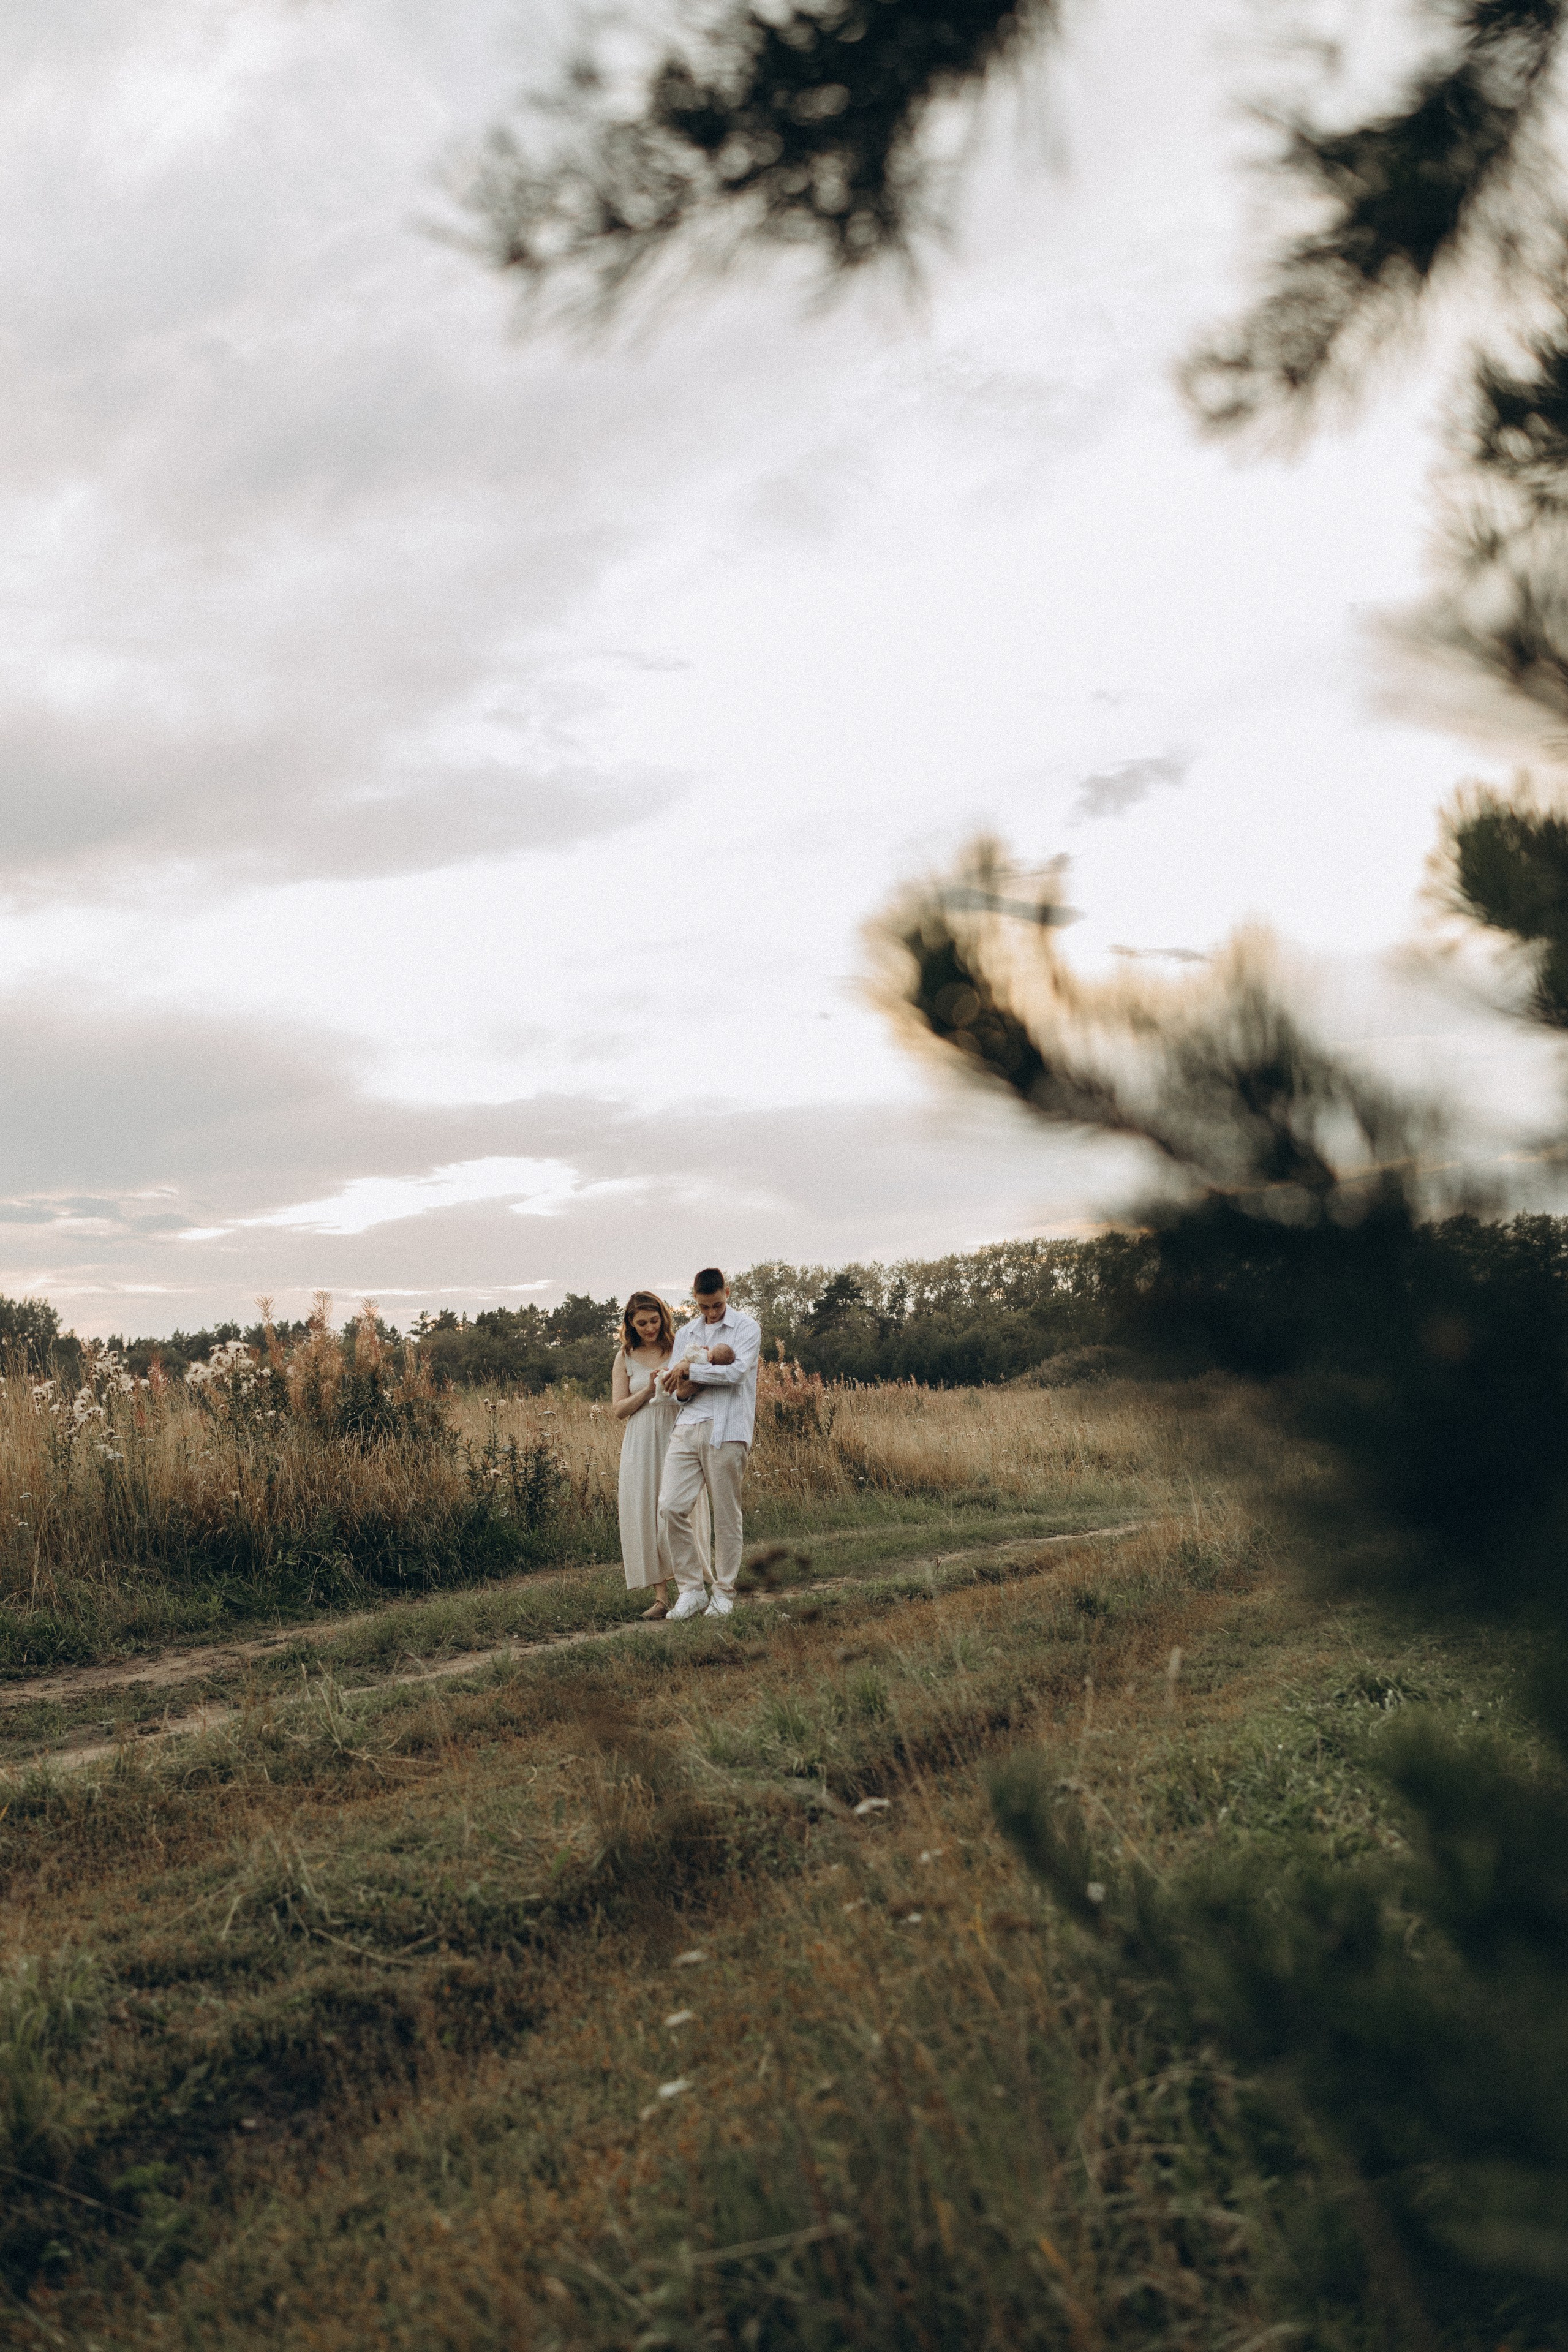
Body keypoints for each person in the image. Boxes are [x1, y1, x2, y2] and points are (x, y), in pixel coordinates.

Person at [657, 1268, 761, 1621]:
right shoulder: (687, 1332)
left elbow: (737, 1374)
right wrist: (687, 1377)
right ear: (695, 1300)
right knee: (670, 1506)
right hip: (687, 1427)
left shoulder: (748, 1328)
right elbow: (674, 1391)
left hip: (728, 1428)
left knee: (726, 1514)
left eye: (717, 1305)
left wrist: (691, 1370)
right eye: (704, 1306)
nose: (712, 1313)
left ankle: (725, 1593)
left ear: (727, 1293)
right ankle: (691, 1591)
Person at [611, 1291, 710, 1619]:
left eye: (654, 1321)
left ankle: (692, 1589)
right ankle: (661, 1597)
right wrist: (647, 1388)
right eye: (641, 1323)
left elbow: (698, 1387)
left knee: (679, 1509)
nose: (649, 1328)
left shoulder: (679, 1348)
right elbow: (618, 1410)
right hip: (641, 1438)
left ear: (663, 1318)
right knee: (648, 1508)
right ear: (630, 1324)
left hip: (678, 1430)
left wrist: (677, 1383)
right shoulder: (624, 1357)